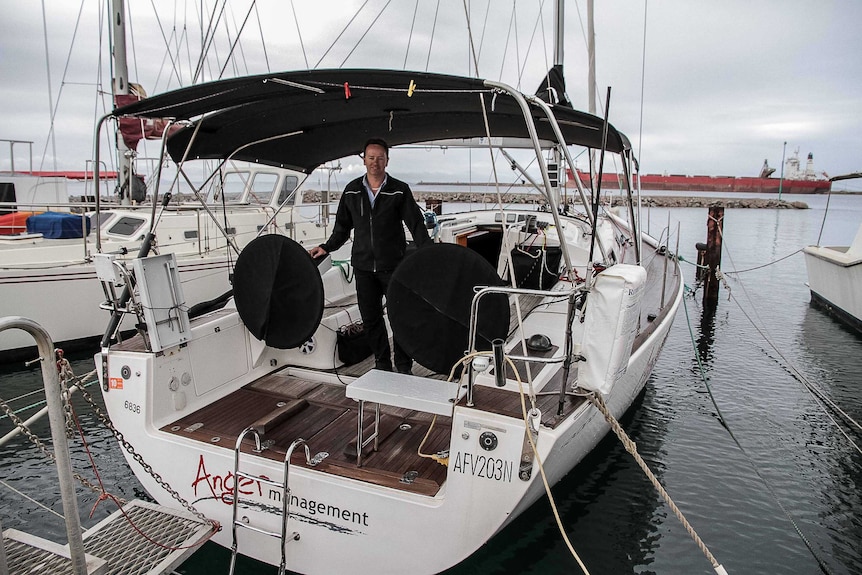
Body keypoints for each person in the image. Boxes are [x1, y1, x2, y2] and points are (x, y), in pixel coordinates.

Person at [309, 138, 431, 373]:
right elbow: (342, 228)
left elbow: (416, 224)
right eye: (371, 157)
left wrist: (428, 252)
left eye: (380, 158)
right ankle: (382, 362)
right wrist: (327, 247)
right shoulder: (352, 190)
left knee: (400, 316)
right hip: (363, 268)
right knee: (371, 319)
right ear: (363, 160)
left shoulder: (399, 189)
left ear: (387, 160)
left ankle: (404, 364)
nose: (375, 162)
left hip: (393, 266)